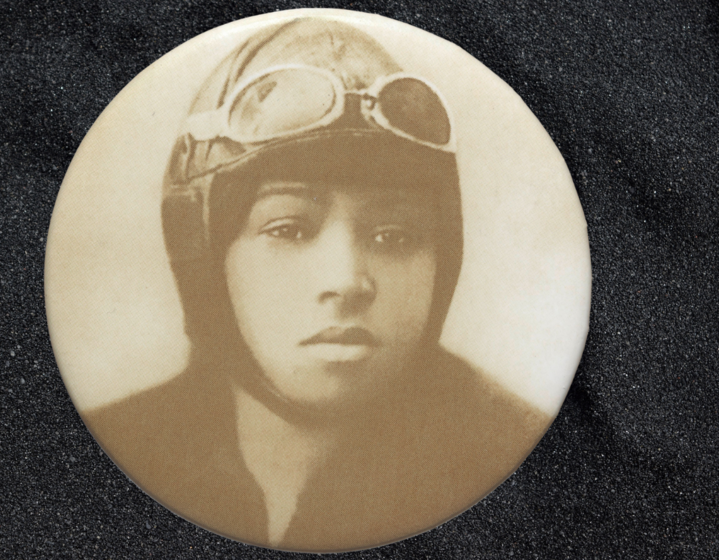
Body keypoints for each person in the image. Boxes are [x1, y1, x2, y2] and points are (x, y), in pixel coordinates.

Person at [83, 17, 551, 552]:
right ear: (204, 258)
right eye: (288, 228)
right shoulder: (97, 455)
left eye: (394, 236)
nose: (347, 282)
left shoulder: (532, 465)